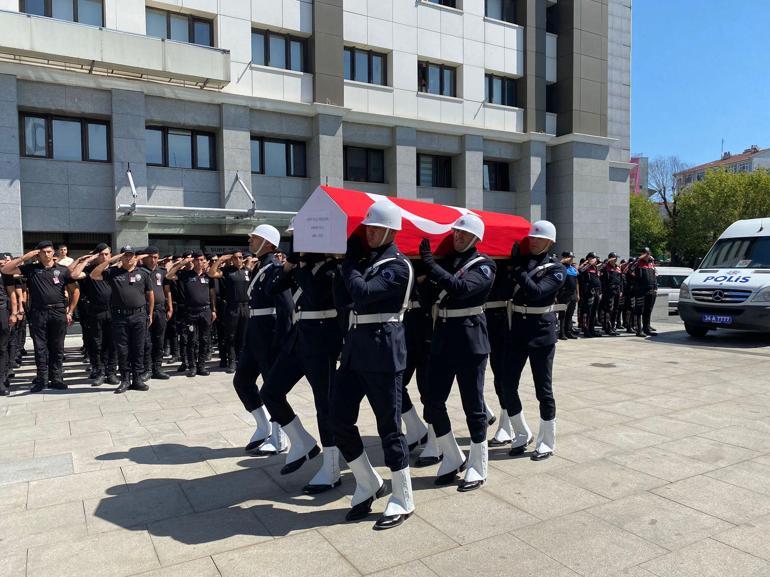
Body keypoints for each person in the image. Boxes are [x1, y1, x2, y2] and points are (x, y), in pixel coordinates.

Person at [330, 200, 415, 530]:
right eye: (367, 228)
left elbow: (363, 294)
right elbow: (344, 297)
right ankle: (368, 482)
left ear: (392, 231)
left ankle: (404, 496)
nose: (370, 233)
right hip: (355, 350)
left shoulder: (398, 266)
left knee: (389, 428)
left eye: (377, 228)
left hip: (383, 350)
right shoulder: (369, 262)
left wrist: (349, 264)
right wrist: (344, 268)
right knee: (337, 419)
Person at [419, 214, 495, 491]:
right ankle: (452, 455)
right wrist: (425, 277)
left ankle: (478, 464)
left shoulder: (484, 265)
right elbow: (428, 297)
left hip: (470, 340)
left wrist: (432, 267)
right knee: (432, 401)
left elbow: (462, 289)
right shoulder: (447, 262)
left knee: (473, 405)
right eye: (456, 233)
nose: (458, 237)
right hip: (442, 338)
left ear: (476, 238)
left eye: (464, 234)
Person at [260, 246, 344, 494]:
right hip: (298, 340)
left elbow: (316, 294)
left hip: (322, 341)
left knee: (324, 406)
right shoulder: (299, 267)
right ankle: (302, 442)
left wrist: (302, 266)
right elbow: (271, 288)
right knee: (270, 393)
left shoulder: (333, 268)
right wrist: (289, 266)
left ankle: (331, 469)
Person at [502, 221, 566, 461]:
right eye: (531, 237)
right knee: (506, 384)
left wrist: (518, 270)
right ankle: (521, 432)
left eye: (538, 238)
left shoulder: (556, 268)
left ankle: (547, 441)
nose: (533, 241)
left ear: (549, 241)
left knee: (543, 389)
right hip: (517, 328)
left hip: (541, 332)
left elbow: (538, 292)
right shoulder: (524, 262)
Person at [232, 225, 293, 455]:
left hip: (268, 335)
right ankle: (263, 425)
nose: (250, 240)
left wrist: (281, 339)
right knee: (242, 381)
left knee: (271, 388)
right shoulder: (261, 266)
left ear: (268, 243)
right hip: (255, 332)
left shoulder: (274, 268)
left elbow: (286, 308)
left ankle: (280, 438)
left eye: (255, 237)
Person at [2, 242, 80, 392]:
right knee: (40, 348)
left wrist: (70, 311)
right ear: (38, 254)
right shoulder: (31, 269)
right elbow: (6, 270)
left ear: (53, 253)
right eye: (43, 252)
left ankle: (56, 378)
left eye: (49, 251)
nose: (46, 254)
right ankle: (42, 380)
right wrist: (25, 257)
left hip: (58, 312)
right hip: (39, 313)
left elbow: (74, 290)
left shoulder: (62, 271)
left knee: (57, 347)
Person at [89, 247, 153, 393]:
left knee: (138, 348)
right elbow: (94, 274)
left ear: (136, 258)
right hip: (120, 317)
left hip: (139, 316)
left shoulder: (143, 274)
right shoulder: (113, 272)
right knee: (122, 350)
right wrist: (111, 260)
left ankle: (137, 379)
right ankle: (125, 379)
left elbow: (150, 294)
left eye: (131, 256)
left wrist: (150, 314)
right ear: (121, 257)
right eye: (125, 256)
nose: (129, 258)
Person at [70, 244, 119, 386]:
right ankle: (99, 372)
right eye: (101, 254)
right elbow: (73, 274)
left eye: (107, 254)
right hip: (95, 312)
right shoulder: (89, 270)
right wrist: (86, 260)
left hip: (113, 311)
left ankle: (111, 373)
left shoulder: (114, 270)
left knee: (112, 343)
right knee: (96, 343)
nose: (104, 257)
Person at [166, 252, 216, 377]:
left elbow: (212, 294)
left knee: (204, 340)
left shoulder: (208, 276)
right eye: (197, 260)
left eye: (202, 260)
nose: (199, 262)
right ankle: (192, 366)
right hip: (191, 312)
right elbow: (169, 275)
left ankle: (201, 366)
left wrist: (214, 309)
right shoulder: (185, 275)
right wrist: (182, 263)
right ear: (193, 262)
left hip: (205, 311)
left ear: (205, 261)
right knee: (191, 340)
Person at [208, 252, 250, 374]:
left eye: (240, 257)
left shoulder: (247, 270)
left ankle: (241, 360)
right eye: (235, 258)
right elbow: (211, 273)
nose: (238, 260)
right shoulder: (227, 271)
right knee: (231, 336)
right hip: (232, 307)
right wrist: (220, 260)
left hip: (245, 307)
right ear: (232, 259)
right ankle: (231, 361)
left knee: (243, 336)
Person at [140, 247, 173, 380]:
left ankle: (157, 368)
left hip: (160, 309)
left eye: (155, 257)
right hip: (146, 310)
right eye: (151, 257)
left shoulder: (162, 272)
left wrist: (170, 307)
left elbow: (167, 290)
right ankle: (147, 369)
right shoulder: (141, 272)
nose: (153, 260)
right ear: (145, 258)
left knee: (159, 340)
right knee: (147, 341)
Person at [632, 248, 658, 337]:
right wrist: (639, 258)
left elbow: (654, 276)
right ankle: (639, 330)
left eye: (648, 253)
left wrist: (655, 288)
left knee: (648, 310)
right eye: (645, 253)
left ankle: (646, 329)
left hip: (651, 290)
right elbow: (629, 269)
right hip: (641, 290)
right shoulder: (638, 263)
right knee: (639, 310)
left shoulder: (651, 263)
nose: (647, 255)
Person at [578, 252, 602, 337]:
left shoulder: (595, 267)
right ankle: (586, 329)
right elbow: (580, 271)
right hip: (588, 292)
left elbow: (597, 279)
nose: (596, 260)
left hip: (596, 292)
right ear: (590, 258)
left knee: (593, 312)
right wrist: (589, 263)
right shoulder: (585, 266)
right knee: (587, 312)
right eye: (595, 258)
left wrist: (600, 292)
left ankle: (592, 329)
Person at [557, 251, 579, 340]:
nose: (571, 259)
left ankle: (568, 331)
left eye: (572, 258)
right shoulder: (560, 267)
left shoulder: (572, 269)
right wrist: (561, 261)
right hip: (564, 294)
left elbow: (577, 282)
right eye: (570, 257)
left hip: (572, 293)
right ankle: (561, 333)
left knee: (570, 314)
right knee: (563, 314)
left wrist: (578, 294)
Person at [601, 252, 622, 336]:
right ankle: (607, 327)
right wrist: (607, 261)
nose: (616, 259)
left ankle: (613, 327)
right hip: (609, 291)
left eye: (616, 258)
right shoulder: (605, 267)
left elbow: (620, 280)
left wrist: (621, 290)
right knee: (609, 310)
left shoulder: (617, 267)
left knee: (615, 310)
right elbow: (602, 277)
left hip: (617, 290)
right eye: (614, 258)